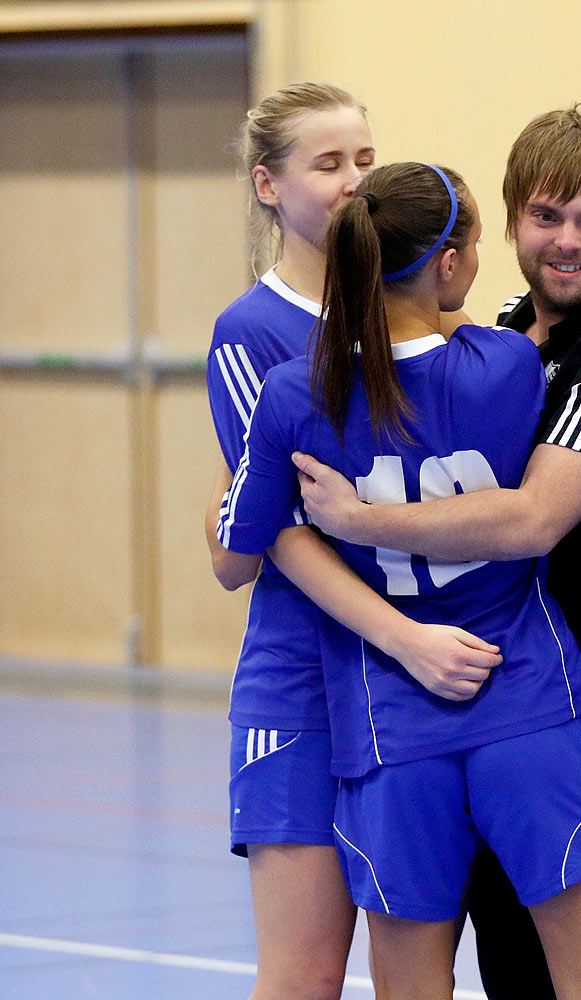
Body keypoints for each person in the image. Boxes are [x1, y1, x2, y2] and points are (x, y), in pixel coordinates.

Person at [289, 105, 581, 999]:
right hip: (488, 694)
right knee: (511, 967)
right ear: (506, 224)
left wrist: (357, 522)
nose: (569, 243)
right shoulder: (500, 332)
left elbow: (534, 520)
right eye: (547, 217)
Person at [214, 162, 581, 999]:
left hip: (392, 721)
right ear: (447, 264)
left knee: (410, 987)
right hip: (524, 699)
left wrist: (258, 492)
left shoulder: (296, 394)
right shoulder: (508, 365)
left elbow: (233, 560)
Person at [201, 81, 373, 1000]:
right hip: (302, 680)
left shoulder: (408, 311)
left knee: (411, 966)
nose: (353, 182)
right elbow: (272, 535)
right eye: (328, 163)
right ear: (269, 186)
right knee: (305, 974)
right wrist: (403, 636)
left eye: (365, 162)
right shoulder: (252, 332)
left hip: (406, 689)